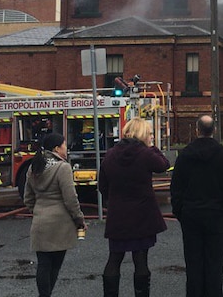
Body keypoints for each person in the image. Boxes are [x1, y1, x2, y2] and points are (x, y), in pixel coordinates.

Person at [98, 118, 169, 297]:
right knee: (141, 259)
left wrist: (113, 201)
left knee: (114, 258)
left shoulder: (110, 154)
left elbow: (102, 186)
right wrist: (152, 146)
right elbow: (164, 165)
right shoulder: (145, 154)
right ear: (143, 134)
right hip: (142, 214)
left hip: (118, 215)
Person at [170, 115, 223, 297]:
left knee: (193, 266)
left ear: (196, 130)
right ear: (213, 130)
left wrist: (181, 213)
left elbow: (176, 189)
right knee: (215, 266)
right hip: (217, 217)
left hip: (191, 216)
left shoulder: (185, 155)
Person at [24, 133, 86, 297]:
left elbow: (28, 198)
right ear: (57, 148)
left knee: (43, 264)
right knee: (55, 265)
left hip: (40, 223)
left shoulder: (34, 167)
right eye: (64, 145)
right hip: (60, 225)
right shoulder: (62, 167)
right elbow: (70, 198)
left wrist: (37, 211)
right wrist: (79, 218)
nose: (66, 148)